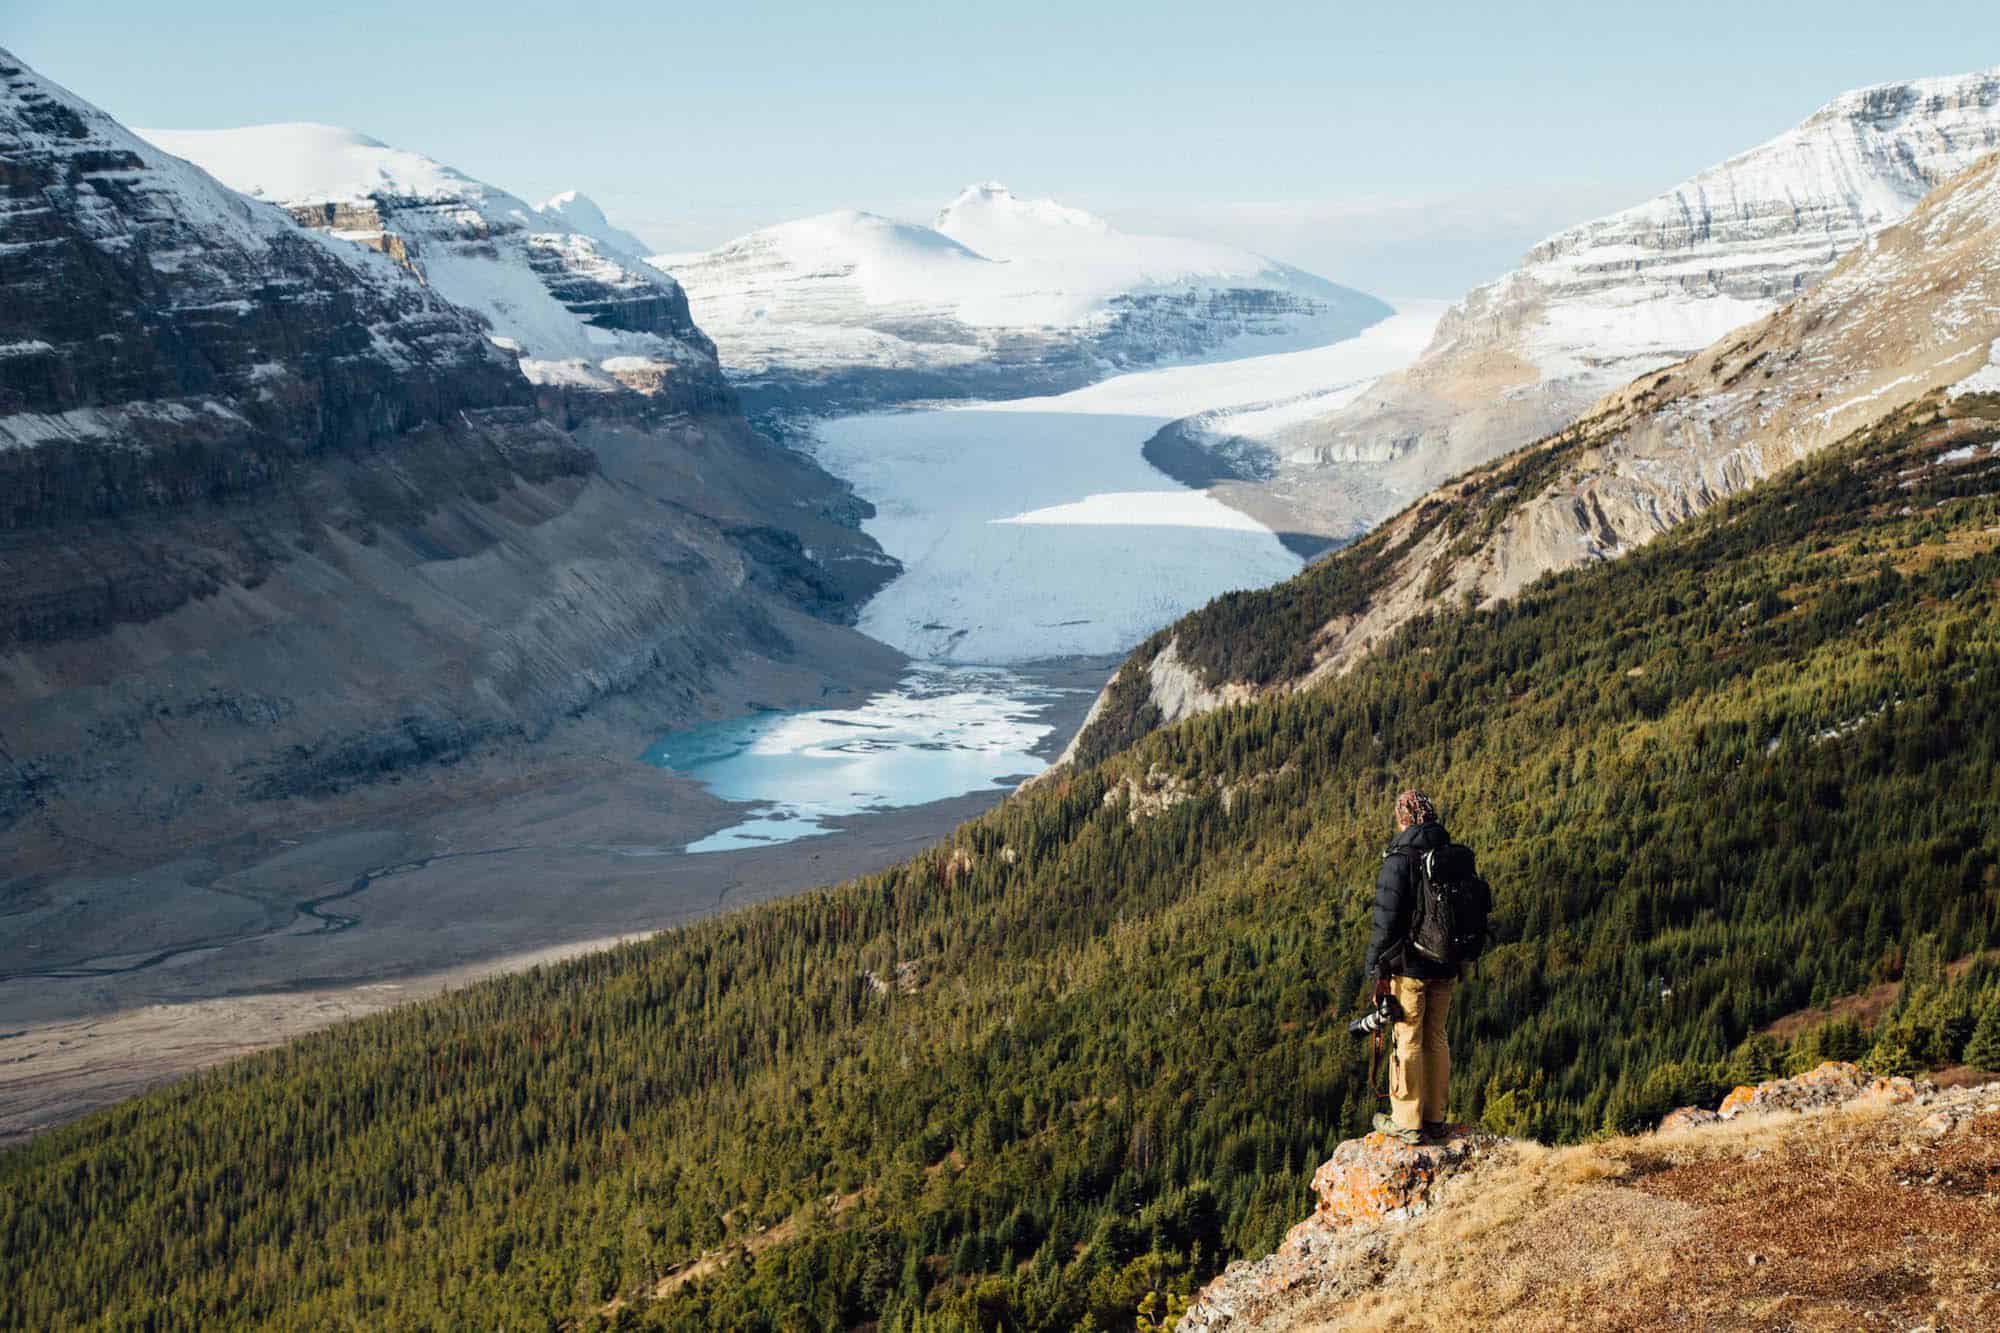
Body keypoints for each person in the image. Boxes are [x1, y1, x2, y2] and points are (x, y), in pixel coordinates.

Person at [1364, 789, 1458, 1146]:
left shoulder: (1399, 858)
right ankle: (1434, 1117)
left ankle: (1407, 1121)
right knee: (1436, 1036)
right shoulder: (1449, 853)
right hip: (1446, 963)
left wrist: (1376, 969)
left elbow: (1385, 920)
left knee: (1408, 1038)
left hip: (1411, 966)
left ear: (1403, 819)